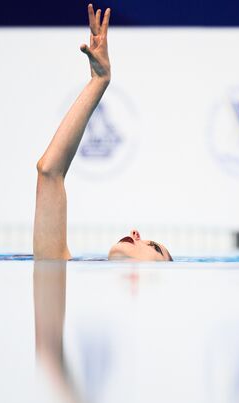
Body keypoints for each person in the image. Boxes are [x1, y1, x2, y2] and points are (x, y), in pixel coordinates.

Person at [33, 4, 173, 261]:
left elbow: (48, 173)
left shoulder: (59, 272)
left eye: (154, 248)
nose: (135, 232)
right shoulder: (63, 270)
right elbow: (49, 171)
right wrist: (99, 81)